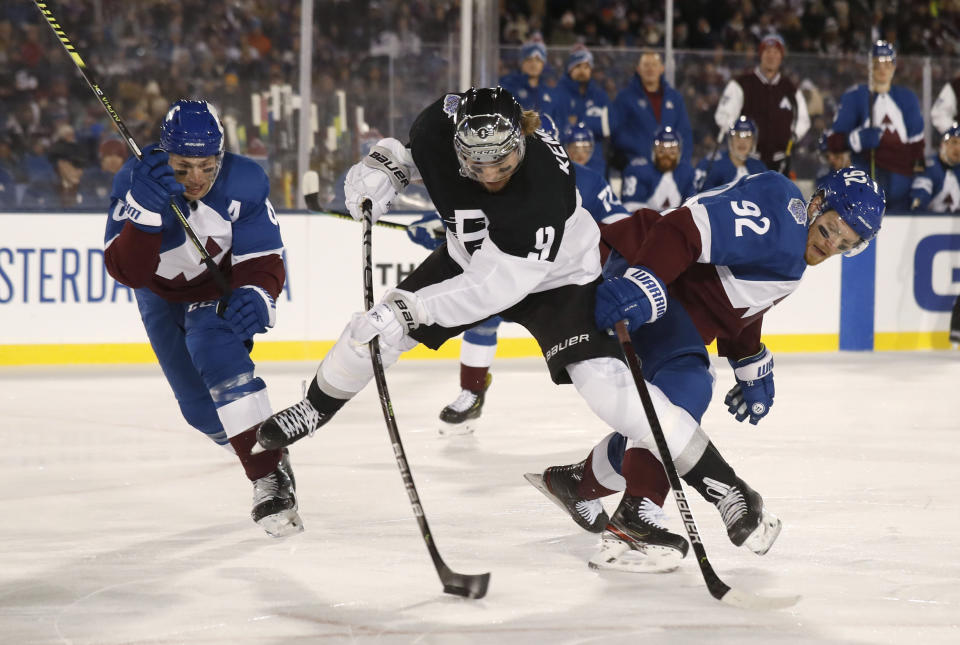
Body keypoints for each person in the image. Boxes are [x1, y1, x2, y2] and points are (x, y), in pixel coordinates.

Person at [528, 167, 886, 572]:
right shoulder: (784, 215)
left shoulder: (792, 251)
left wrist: (749, 358)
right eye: (831, 228)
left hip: (665, 292)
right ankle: (637, 514)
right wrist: (643, 280)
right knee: (688, 381)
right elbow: (685, 227)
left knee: (666, 414)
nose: (832, 243)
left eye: (846, 242)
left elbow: (730, 302)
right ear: (817, 204)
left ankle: (576, 483)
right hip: (640, 268)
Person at [103, 100, 301, 538]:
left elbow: (263, 253)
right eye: (183, 167)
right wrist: (145, 212)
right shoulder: (133, 180)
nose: (196, 178)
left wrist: (257, 291)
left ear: (221, 156)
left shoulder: (244, 180)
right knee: (199, 412)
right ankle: (263, 450)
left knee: (213, 347)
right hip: (158, 295)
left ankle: (268, 477)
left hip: (216, 288)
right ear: (165, 154)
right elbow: (127, 272)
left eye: (207, 167)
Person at [408, 113, 631, 435]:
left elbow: (619, 226)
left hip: (559, 280)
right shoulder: (503, 173)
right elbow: (477, 215)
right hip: (512, 269)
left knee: (595, 348)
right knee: (481, 315)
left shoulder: (587, 180)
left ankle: (628, 408)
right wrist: (442, 227)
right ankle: (472, 391)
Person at [825, 40, 924, 211]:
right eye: (877, 63)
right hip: (867, 179)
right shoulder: (855, 96)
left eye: (886, 63)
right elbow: (833, 141)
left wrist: (919, 179)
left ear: (894, 66)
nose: (882, 69)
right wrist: (855, 140)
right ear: (869, 67)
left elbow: (917, 147)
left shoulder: (908, 98)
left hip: (902, 183)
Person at [714, 33, 810, 174]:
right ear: (760, 54)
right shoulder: (742, 84)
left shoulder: (790, 88)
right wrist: (740, 139)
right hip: (747, 161)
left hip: (781, 162)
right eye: (767, 51)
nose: (771, 56)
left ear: (781, 56)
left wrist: (792, 137)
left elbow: (803, 120)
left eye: (776, 52)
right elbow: (723, 116)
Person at [908, 122, 960, 343]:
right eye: (954, 143)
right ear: (943, 144)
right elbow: (919, 199)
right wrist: (920, 199)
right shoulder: (930, 167)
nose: (958, 148)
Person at [611, 50, 694, 167]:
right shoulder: (625, 98)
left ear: (662, 68)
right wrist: (641, 150)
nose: (650, 69)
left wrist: (682, 161)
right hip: (638, 166)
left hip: (671, 166)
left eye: (654, 65)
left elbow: (685, 132)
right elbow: (617, 133)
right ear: (638, 69)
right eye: (646, 65)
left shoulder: (675, 98)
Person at [546, 45, 610, 172]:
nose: (582, 71)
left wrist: (582, 121)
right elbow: (551, 130)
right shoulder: (556, 94)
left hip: (595, 163)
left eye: (586, 67)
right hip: (563, 163)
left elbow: (611, 125)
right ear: (570, 68)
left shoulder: (599, 95)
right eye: (578, 66)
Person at [620, 125, 695, 212]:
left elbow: (692, 208)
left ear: (679, 153)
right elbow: (630, 209)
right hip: (647, 224)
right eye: (661, 150)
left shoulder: (686, 173)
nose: (666, 156)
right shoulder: (640, 171)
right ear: (653, 151)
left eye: (672, 151)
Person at [694, 116, 767, 192]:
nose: (742, 142)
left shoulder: (759, 168)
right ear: (730, 140)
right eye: (738, 136)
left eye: (747, 137)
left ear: (753, 142)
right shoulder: (712, 164)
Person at [498, 40, 554, 113]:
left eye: (538, 60)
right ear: (521, 63)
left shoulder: (548, 90)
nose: (533, 64)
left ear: (543, 64)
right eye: (529, 59)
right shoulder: (509, 87)